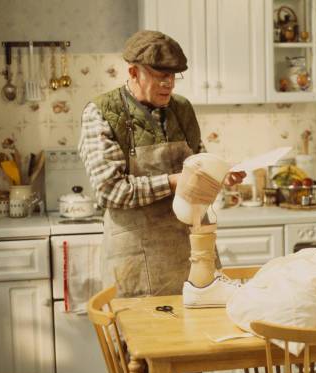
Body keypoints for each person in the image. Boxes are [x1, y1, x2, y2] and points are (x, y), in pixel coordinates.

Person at [78, 30, 245, 299]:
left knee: (200, 334)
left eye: (173, 75)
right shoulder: (101, 112)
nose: (169, 83)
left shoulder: (182, 109)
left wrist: (220, 176)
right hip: (136, 257)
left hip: (191, 250)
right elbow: (111, 191)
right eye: (159, 75)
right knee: (144, 339)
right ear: (133, 72)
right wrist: (175, 181)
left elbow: (198, 165)